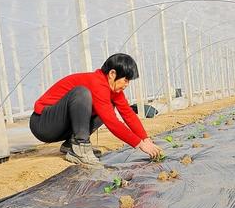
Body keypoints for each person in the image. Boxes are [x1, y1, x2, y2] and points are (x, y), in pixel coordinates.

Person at [29, 53, 162, 167]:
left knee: (106, 106)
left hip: (60, 126)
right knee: (82, 93)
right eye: (126, 80)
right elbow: (112, 122)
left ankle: (71, 144)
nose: (127, 85)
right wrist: (139, 144)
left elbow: (128, 113)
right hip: (43, 124)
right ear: (112, 74)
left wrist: (146, 139)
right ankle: (80, 147)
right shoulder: (96, 82)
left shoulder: (113, 91)